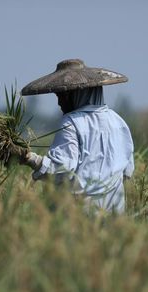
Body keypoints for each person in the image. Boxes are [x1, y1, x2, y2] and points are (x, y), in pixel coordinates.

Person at [13, 59, 134, 214]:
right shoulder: (118, 121)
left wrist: (29, 158)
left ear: (76, 94)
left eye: (62, 96)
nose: (59, 103)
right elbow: (127, 171)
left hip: (80, 215)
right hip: (115, 212)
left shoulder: (71, 122)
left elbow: (60, 168)